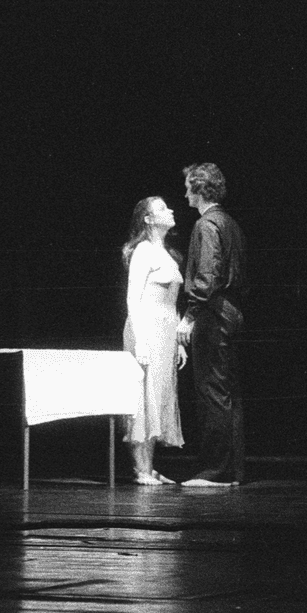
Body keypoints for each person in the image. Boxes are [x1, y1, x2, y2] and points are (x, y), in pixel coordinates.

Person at [175, 163, 248, 487]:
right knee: (227, 392)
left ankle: (217, 471)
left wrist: (189, 317)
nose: (185, 193)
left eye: (189, 186)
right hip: (231, 311)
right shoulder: (229, 223)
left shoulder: (207, 224)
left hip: (213, 313)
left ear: (201, 189)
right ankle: (231, 472)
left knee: (212, 392)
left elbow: (207, 276)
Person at [121, 196, 186, 484]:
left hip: (166, 330)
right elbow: (133, 297)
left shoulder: (167, 253)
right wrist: (141, 340)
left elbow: (173, 301)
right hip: (146, 328)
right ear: (147, 219)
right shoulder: (143, 251)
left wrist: (179, 340)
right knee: (143, 396)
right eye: (161, 208)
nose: (170, 210)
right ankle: (140, 469)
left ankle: (149, 466)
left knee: (158, 396)